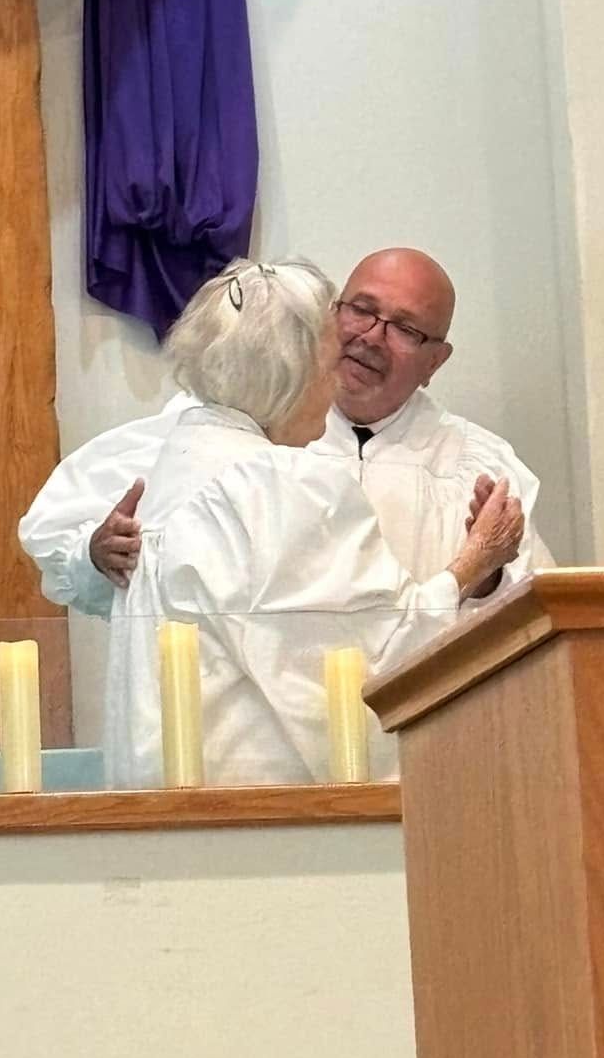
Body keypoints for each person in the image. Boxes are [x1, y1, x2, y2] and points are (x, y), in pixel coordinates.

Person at [103, 259, 525, 787]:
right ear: (287, 376)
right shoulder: (274, 483)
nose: (332, 394)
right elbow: (371, 659)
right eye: (327, 370)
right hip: (264, 809)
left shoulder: (180, 458)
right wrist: (472, 564)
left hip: (166, 793)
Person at [19, 247, 550, 609]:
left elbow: (531, 616)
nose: (371, 336)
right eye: (361, 310)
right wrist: (94, 554)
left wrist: (487, 576)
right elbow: (62, 544)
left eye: (406, 329)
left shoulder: (478, 466)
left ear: (437, 360)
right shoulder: (214, 429)